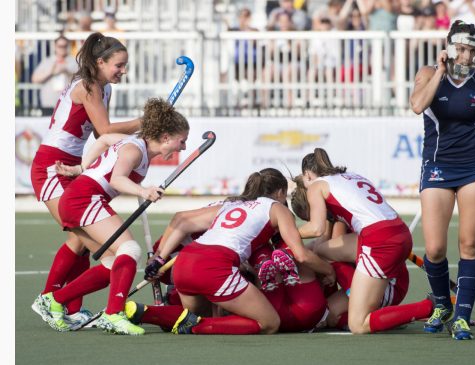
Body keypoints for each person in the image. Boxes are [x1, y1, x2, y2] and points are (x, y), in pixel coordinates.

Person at [31, 97, 190, 336]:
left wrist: (82, 169)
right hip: (83, 198)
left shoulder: (136, 144)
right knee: (130, 250)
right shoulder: (134, 149)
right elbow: (117, 179)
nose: (183, 147)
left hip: (80, 197)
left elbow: (104, 139)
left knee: (111, 263)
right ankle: (113, 313)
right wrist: (143, 190)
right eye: (182, 141)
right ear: (166, 137)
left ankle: (54, 300)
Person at [29, 32, 142, 330]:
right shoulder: (89, 86)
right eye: (118, 65)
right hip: (51, 165)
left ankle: (68, 307)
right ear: (100, 62)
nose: (123, 71)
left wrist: (142, 133)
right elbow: (105, 128)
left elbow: (100, 137)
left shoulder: (103, 89)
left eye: (125, 65)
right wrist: (145, 121)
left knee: (80, 239)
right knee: (80, 237)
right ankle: (48, 297)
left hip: (70, 165)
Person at [144, 168, 336, 335]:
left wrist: (159, 258)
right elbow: (301, 254)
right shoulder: (277, 208)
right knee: (270, 323)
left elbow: (181, 219)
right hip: (214, 266)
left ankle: (141, 312)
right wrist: (328, 270)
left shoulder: (231, 204)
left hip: (185, 262)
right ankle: (194, 327)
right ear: (280, 192)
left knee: (196, 315)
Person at [409, 20, 475, 340]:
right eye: (461, 49)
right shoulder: (427, 73)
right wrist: (440, 71)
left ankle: (462, 315)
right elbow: (417, 105)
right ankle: (441, 305)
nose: (466, 56)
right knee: (434, 248)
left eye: (472, 51)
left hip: (474, 166)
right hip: (437, 165)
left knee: (469, 244)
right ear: (448, 46)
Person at [297, 148, 434, 335]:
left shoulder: (315, 186)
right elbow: (321, 243)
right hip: (398, 231)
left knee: (358, 325)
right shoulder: (350, 177)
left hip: (379, 243)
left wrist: (287, 233)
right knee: (321, 251)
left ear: (307, 175)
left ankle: (428, 307)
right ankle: (364, 301)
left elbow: (316, 228)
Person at [31, 35, 79, 115]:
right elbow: (34, 79)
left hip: (68, 105)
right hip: (49, 105)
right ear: (55, 46)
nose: (62, 48)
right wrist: (51, 72)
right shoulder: (47, 61)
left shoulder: (74, 61)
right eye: (60, 46)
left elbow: (82, 79)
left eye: (65, 46)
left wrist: (67, 71)